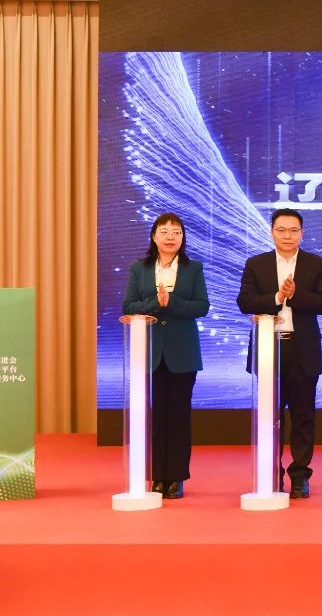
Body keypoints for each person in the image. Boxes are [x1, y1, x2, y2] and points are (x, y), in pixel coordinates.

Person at [237, 208, 322, 499]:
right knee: (270, 416)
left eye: (293, 230)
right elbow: (245, 302)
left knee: (303, 416)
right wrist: (278, 297)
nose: (287, 235)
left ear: (302, 233)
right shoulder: (256, 264)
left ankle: (300, 475)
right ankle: (271, 474)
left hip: (303, 350)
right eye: (281, 230)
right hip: (269, 347)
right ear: (272, 232)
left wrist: (295, 294)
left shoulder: (316, 264)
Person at [121, 213, 209, 500]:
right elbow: (129, 305)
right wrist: (155, 303)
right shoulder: (140, 268)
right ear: (154, 236)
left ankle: (177, 477)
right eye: (165, 231)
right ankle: (158, 476)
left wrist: (172, 301)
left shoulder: (193, 268)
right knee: (157, 416)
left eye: (176, 232)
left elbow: (201, 306)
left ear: (183, 238)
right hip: (149, 352)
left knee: (179, 416)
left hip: (183, 353)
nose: (171, 237)